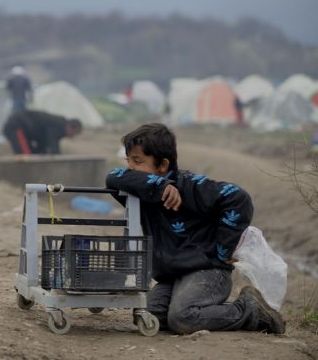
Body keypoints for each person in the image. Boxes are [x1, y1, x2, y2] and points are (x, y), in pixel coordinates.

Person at [105, 123, 285, 335]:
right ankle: (209, 310)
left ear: (163, 165)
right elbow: (112, 177)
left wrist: (223, 250)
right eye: (128, 160)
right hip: (173, 276)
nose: (130, 167)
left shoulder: (191, 185)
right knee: (148, 314)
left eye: (137, 161)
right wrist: (160, 186)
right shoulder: (140, 192)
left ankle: (250, 309)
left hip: (208, 270)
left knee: (183, 318)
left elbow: (238, 198)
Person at [2, 110, 82, 155]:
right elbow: (53, 144)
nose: (72, 137)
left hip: (25, 130)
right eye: (74, 133)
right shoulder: (58, 126)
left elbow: (44, 143)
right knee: (25, 156)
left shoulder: (59, 125)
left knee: (32, 154)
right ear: (70, 127)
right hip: (17, 125)